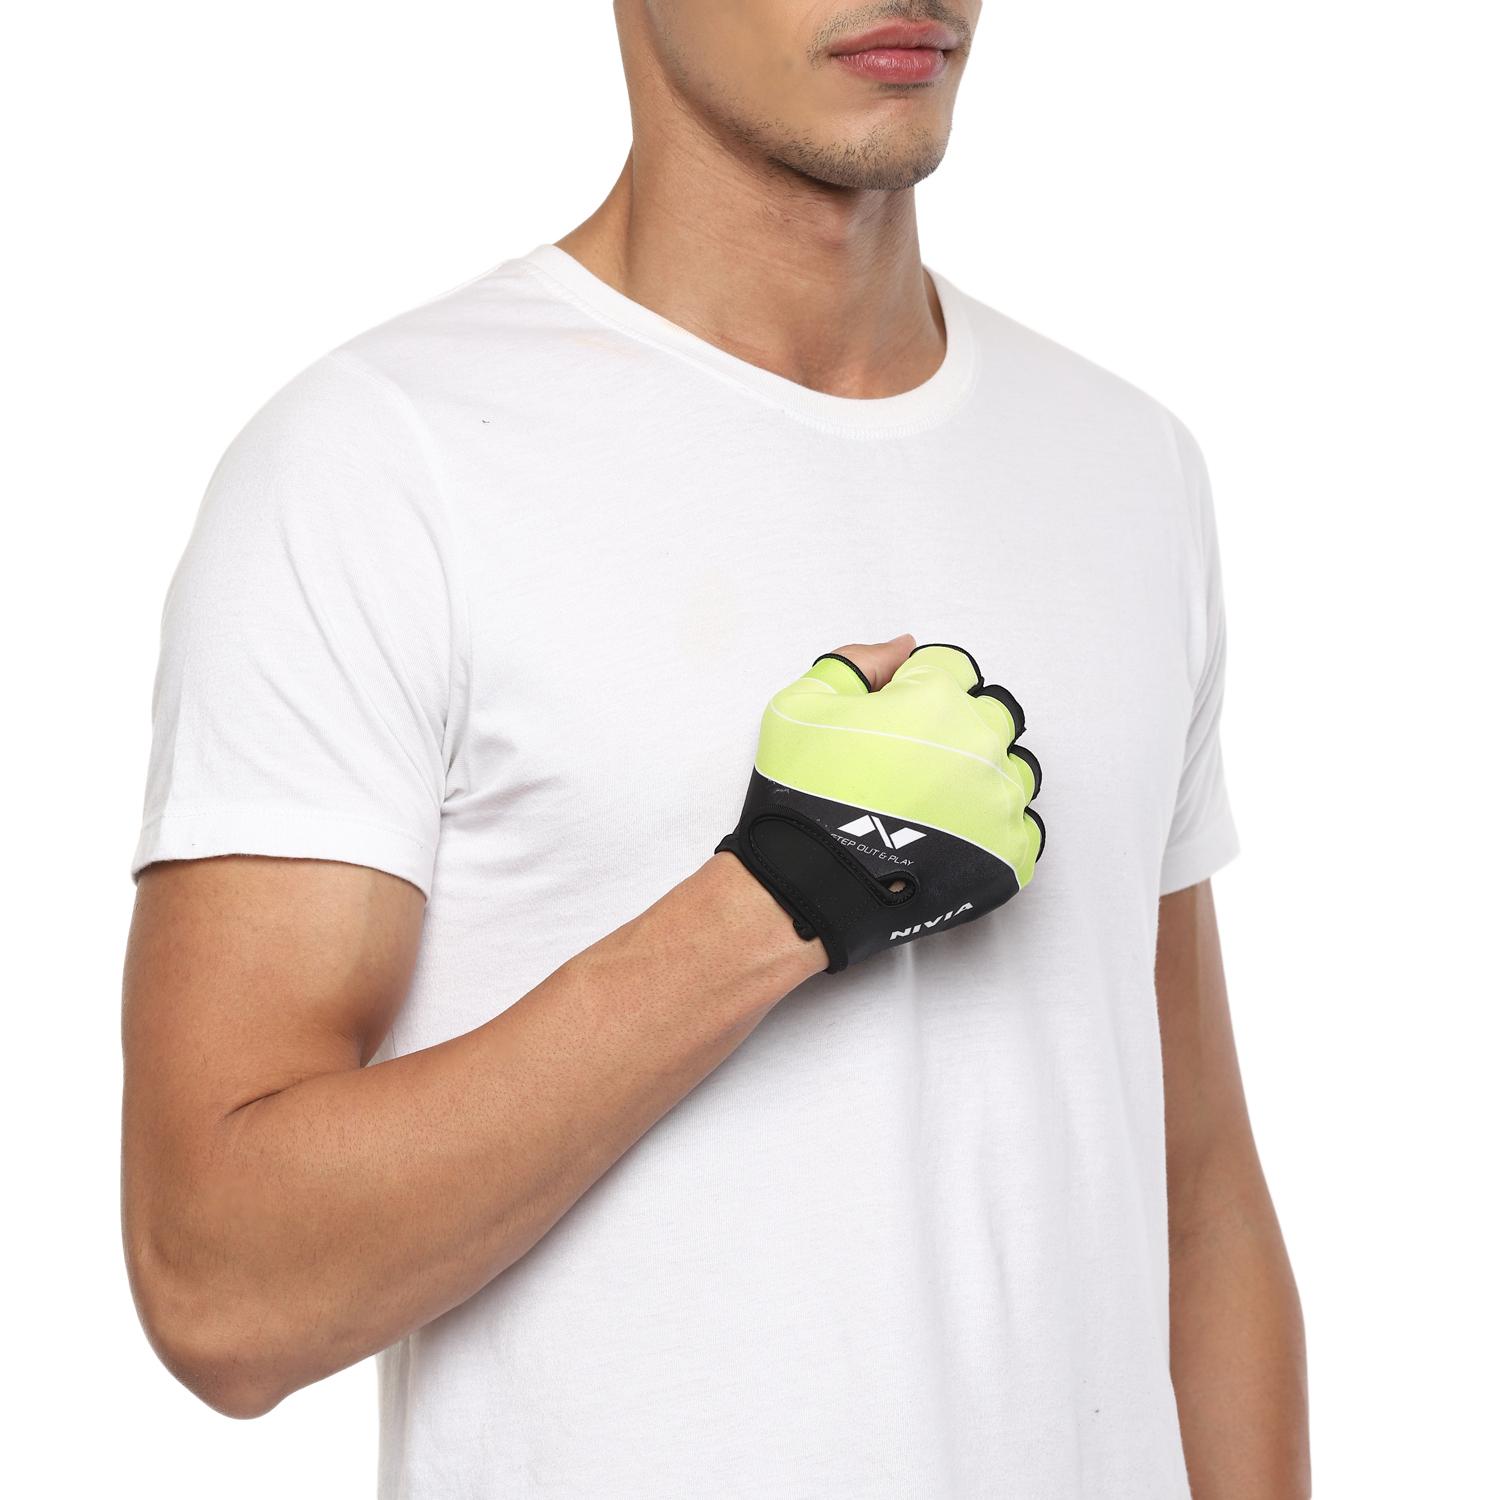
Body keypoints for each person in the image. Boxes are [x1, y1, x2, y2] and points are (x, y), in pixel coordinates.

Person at [122, 2, 1309, 1496]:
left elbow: (1196, 1197)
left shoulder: (1126, 466)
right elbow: (221, 1290)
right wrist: (775, 900)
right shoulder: (380, 466)